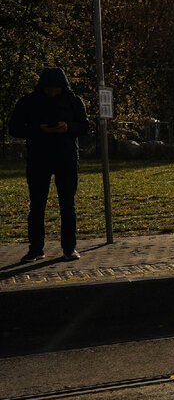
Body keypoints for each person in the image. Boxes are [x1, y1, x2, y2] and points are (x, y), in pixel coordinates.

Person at [7, 68, 90, 262]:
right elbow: (15, 128)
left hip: (66, 158)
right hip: (39, 158)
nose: (52, 92)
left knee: (67, 205)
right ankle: (35, 248)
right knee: (37, 205)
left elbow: (85, 126)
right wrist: (38, 129)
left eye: (56, 89)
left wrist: (68, 127)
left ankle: (69, 248)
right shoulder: (28, 102)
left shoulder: (73, 101)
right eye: (49, 89)